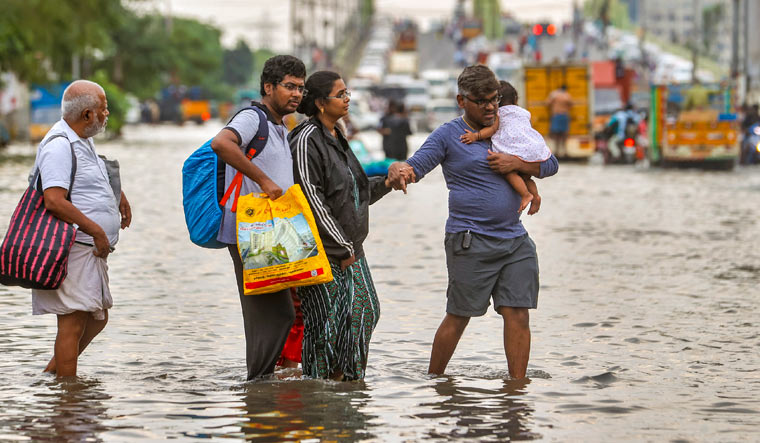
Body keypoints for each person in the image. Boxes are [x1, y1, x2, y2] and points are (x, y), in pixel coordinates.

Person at [387, 65, 559, 379]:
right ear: (462, 101)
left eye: (494, 99)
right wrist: (399, 169)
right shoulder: (448, 135)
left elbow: (550, 164)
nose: (491, 107)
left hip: (515, 240)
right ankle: (434, 382)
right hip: (470, 239)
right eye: (482, 101)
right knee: (459, 315)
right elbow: (415, 166)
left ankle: (516, 393)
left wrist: (516, 162)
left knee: (518, 313)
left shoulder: (509, 124)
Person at [288, 71, 396, 381]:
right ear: (321, 103)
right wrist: (342, 245)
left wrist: (388, 180)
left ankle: (349, 385)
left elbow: (355, 190)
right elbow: (310, 198)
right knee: (325, 324)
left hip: (350, 248)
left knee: (365, 312)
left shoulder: (338, 135)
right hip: (320, 250)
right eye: (341, 94)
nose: (348, 99)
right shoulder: (307, 138)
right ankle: (318, 391)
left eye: (347, 93)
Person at [209, 55, 306, 381]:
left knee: (276, 313)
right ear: (268, 87)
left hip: (272, 231)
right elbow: (221, 143)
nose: (296, 94)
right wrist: (263, 179)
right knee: (275, 314)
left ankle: (261, 386)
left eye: (301, 88)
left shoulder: (280, 125)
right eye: (289, 86)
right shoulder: (254, 117)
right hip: (251, 230)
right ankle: (257, 383)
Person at [32, 80, 132, 377]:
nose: (107, 113)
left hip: (88, 250)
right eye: (103, 109)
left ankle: (55, 378)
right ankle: (68, 395)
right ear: (87, 114)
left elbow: (89, 178)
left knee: (96, 318)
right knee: (73, 322)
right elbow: (54, 200)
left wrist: (118, 195)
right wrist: (97, 231)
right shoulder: (60, 146)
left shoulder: (81, 140)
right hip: (74, 247)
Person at [460, 80, 550, 214]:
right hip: (532, 148)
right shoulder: (523, 112)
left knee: (509, 172)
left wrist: (476, 136)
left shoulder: (499, 114)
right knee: (527, 178)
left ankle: (526, 194)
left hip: (514, 150)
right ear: (515, 99)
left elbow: (491, 130)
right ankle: (536, 196)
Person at [547, 84, 573, 157]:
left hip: (556, 115)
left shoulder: (554, 94)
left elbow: (548, 103)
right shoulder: (567, 95)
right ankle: (565, 151)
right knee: (564, 134)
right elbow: (571, 104)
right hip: (564, 115)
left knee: (556, 134)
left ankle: (556, 151)